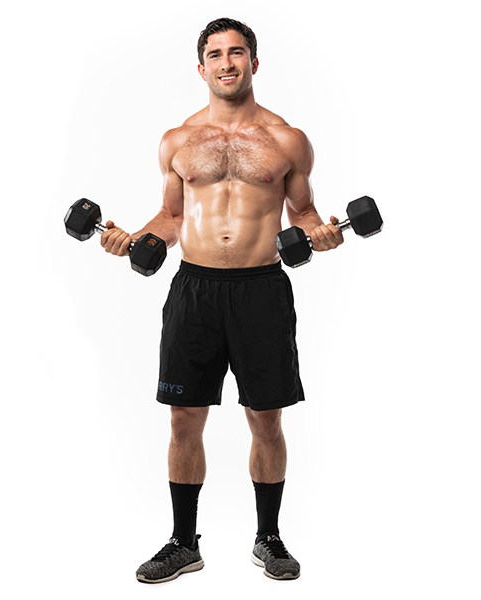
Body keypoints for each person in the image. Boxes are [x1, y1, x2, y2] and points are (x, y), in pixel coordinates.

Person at [99, 17, 345, 583]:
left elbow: (304, 218)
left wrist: (323, 235)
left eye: (237, 53)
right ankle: (184, 542)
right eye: (215, 54)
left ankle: (270, 538)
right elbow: (171, 217)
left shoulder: (287, 140)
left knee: (266, 419)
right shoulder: (178, 141)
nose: (227, 63)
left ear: (254, 63)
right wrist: (133, 240)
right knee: (185, 419)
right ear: (202, 67)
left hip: (262, 290)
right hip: (194, 289)